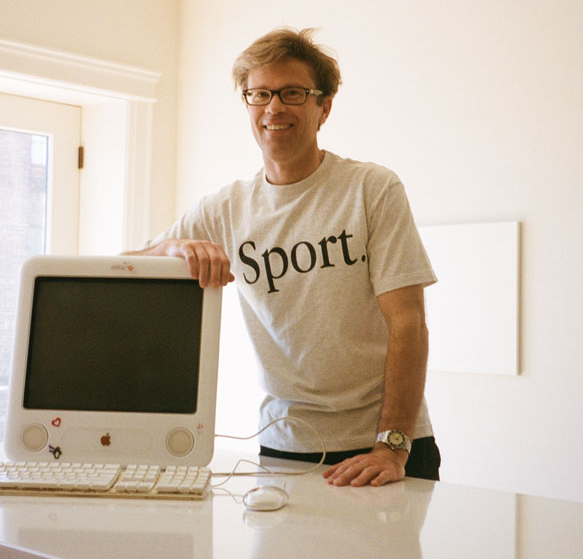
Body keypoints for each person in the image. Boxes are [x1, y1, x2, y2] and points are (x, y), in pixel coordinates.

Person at [129, 28, 440, 486]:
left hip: (387, 444)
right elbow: (126, 264)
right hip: (284, 448)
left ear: (323, 107)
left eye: (292, 93)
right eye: (259, 94)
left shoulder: (372, 189)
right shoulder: (225, 208)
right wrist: (174, 247)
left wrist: (392, 447)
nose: (274, 107)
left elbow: (408, 323)